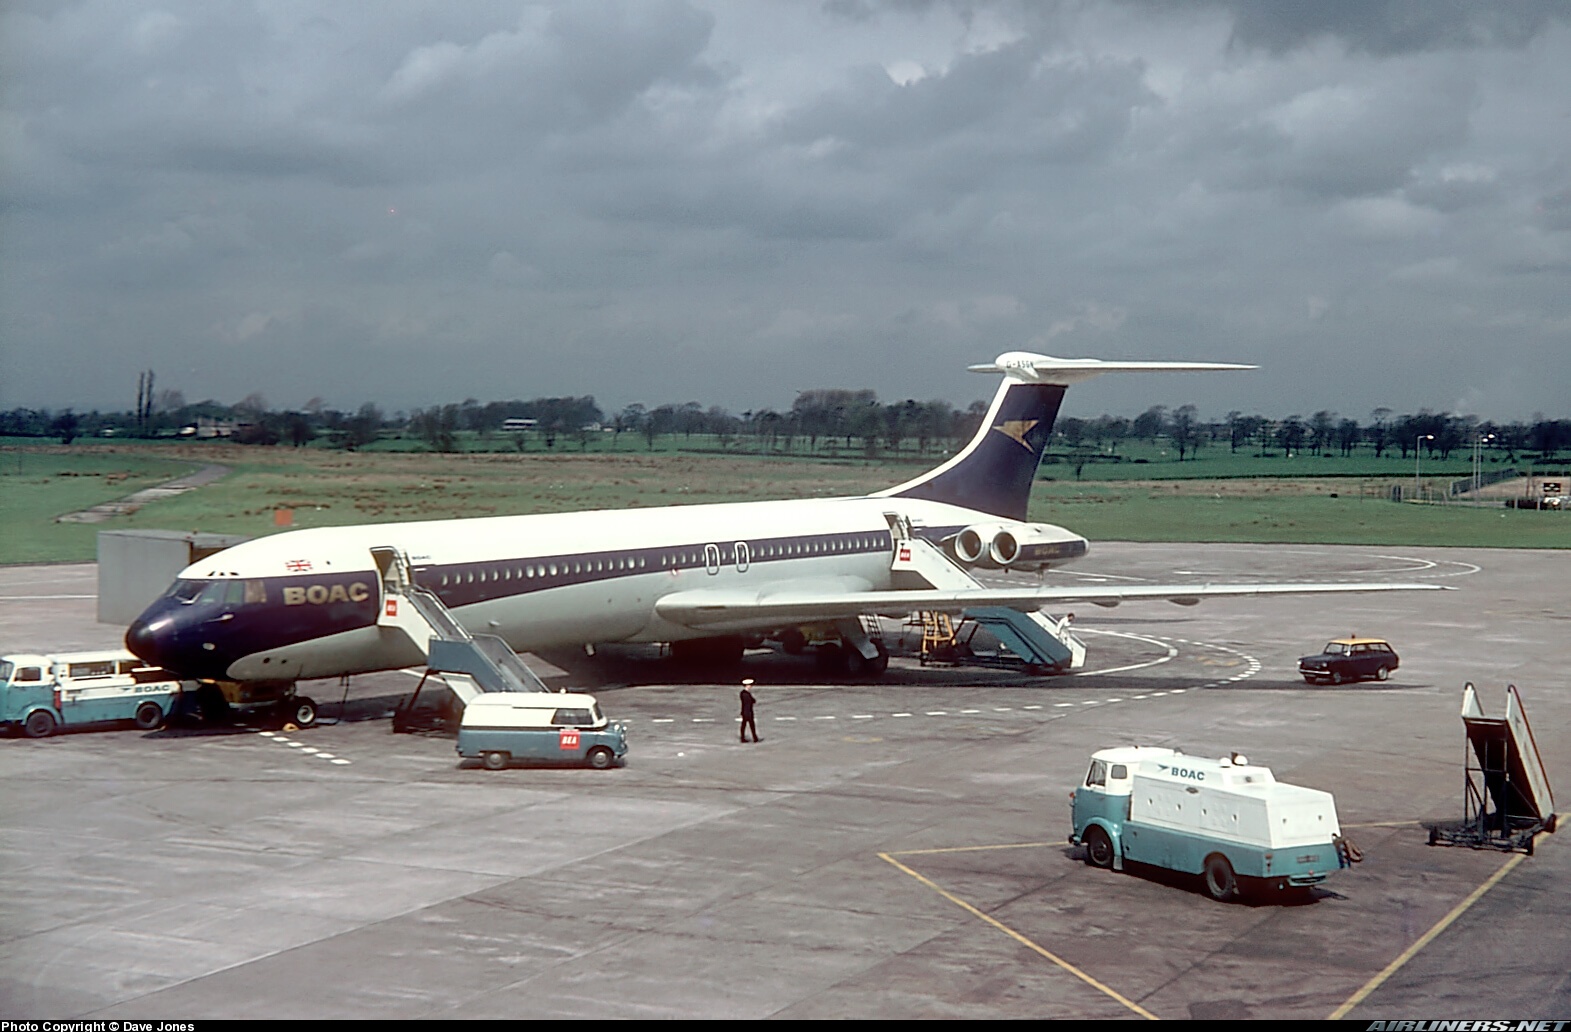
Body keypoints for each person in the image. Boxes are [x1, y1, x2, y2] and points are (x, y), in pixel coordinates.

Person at [739, 678, 760, 743]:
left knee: (744, 725)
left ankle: (743, 738)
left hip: (745, 712)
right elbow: (751, 701)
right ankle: (754, 738)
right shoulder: (746, 694)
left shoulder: (743, 693)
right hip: (748, 712)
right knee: (751, 725)